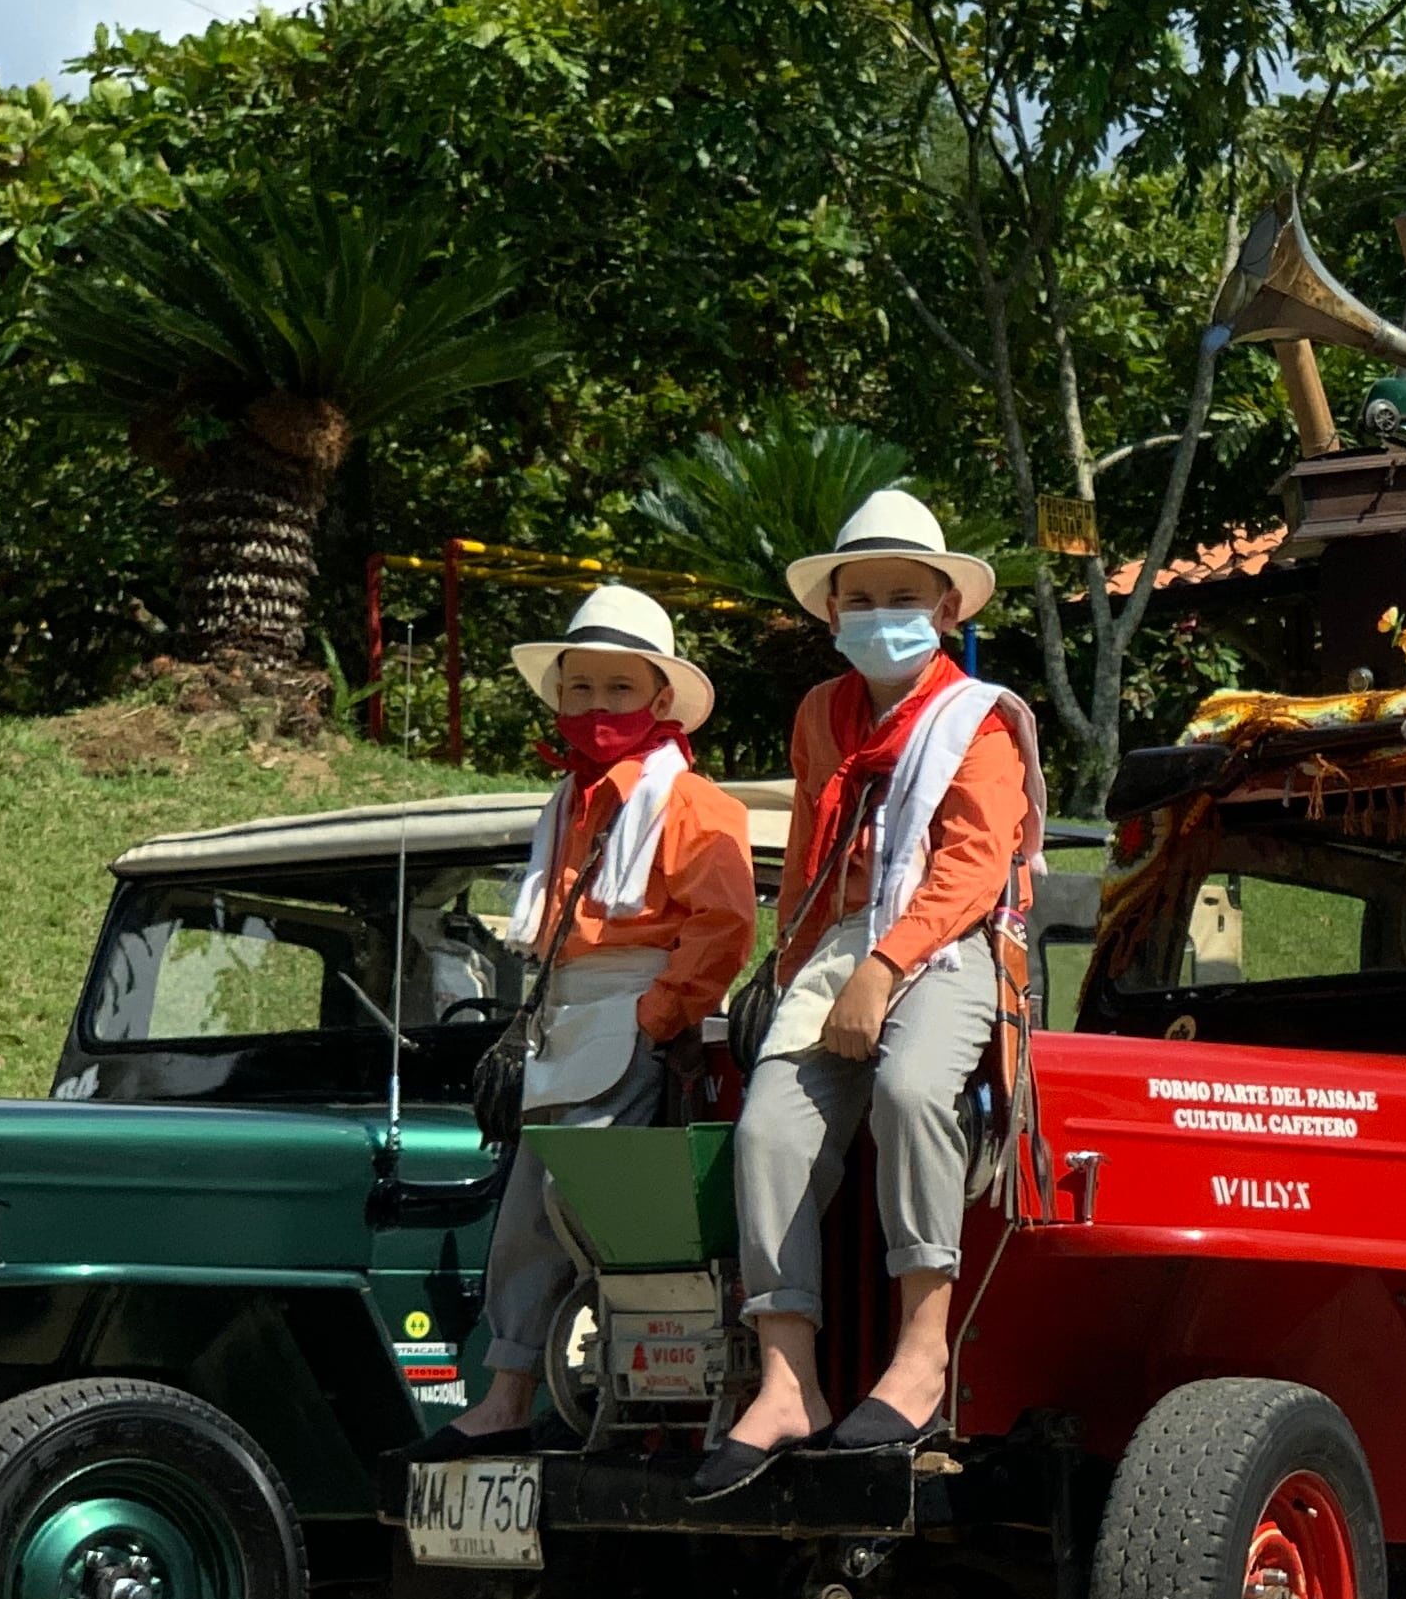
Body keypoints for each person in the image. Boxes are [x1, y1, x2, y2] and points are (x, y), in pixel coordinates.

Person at [698, 489, 1045, 1492]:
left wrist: (885, 968)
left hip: (950, 942)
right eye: (863, 595)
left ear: (944, 611)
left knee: (909, 1093)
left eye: (906, 593)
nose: (883, 612)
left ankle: (923, 1348)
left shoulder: (978, 718)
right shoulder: (821, 712)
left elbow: (976, 866)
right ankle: (786, 1374)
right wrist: (794, 958)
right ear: (832, 611)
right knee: (767, 1132)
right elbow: (810, 846)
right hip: (839, 941)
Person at [407, 584, 758, 1459]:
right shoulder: (568, 804)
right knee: (532, 1211)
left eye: (617, 690)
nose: (595, 709)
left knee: (591, 1206)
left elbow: (725, 927)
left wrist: (656, 1011)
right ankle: (512, 1392)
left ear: (660, 699)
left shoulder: (693, 805)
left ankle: (615, 1389)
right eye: (579, 690)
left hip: (626, 1015)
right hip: (568, 1015)